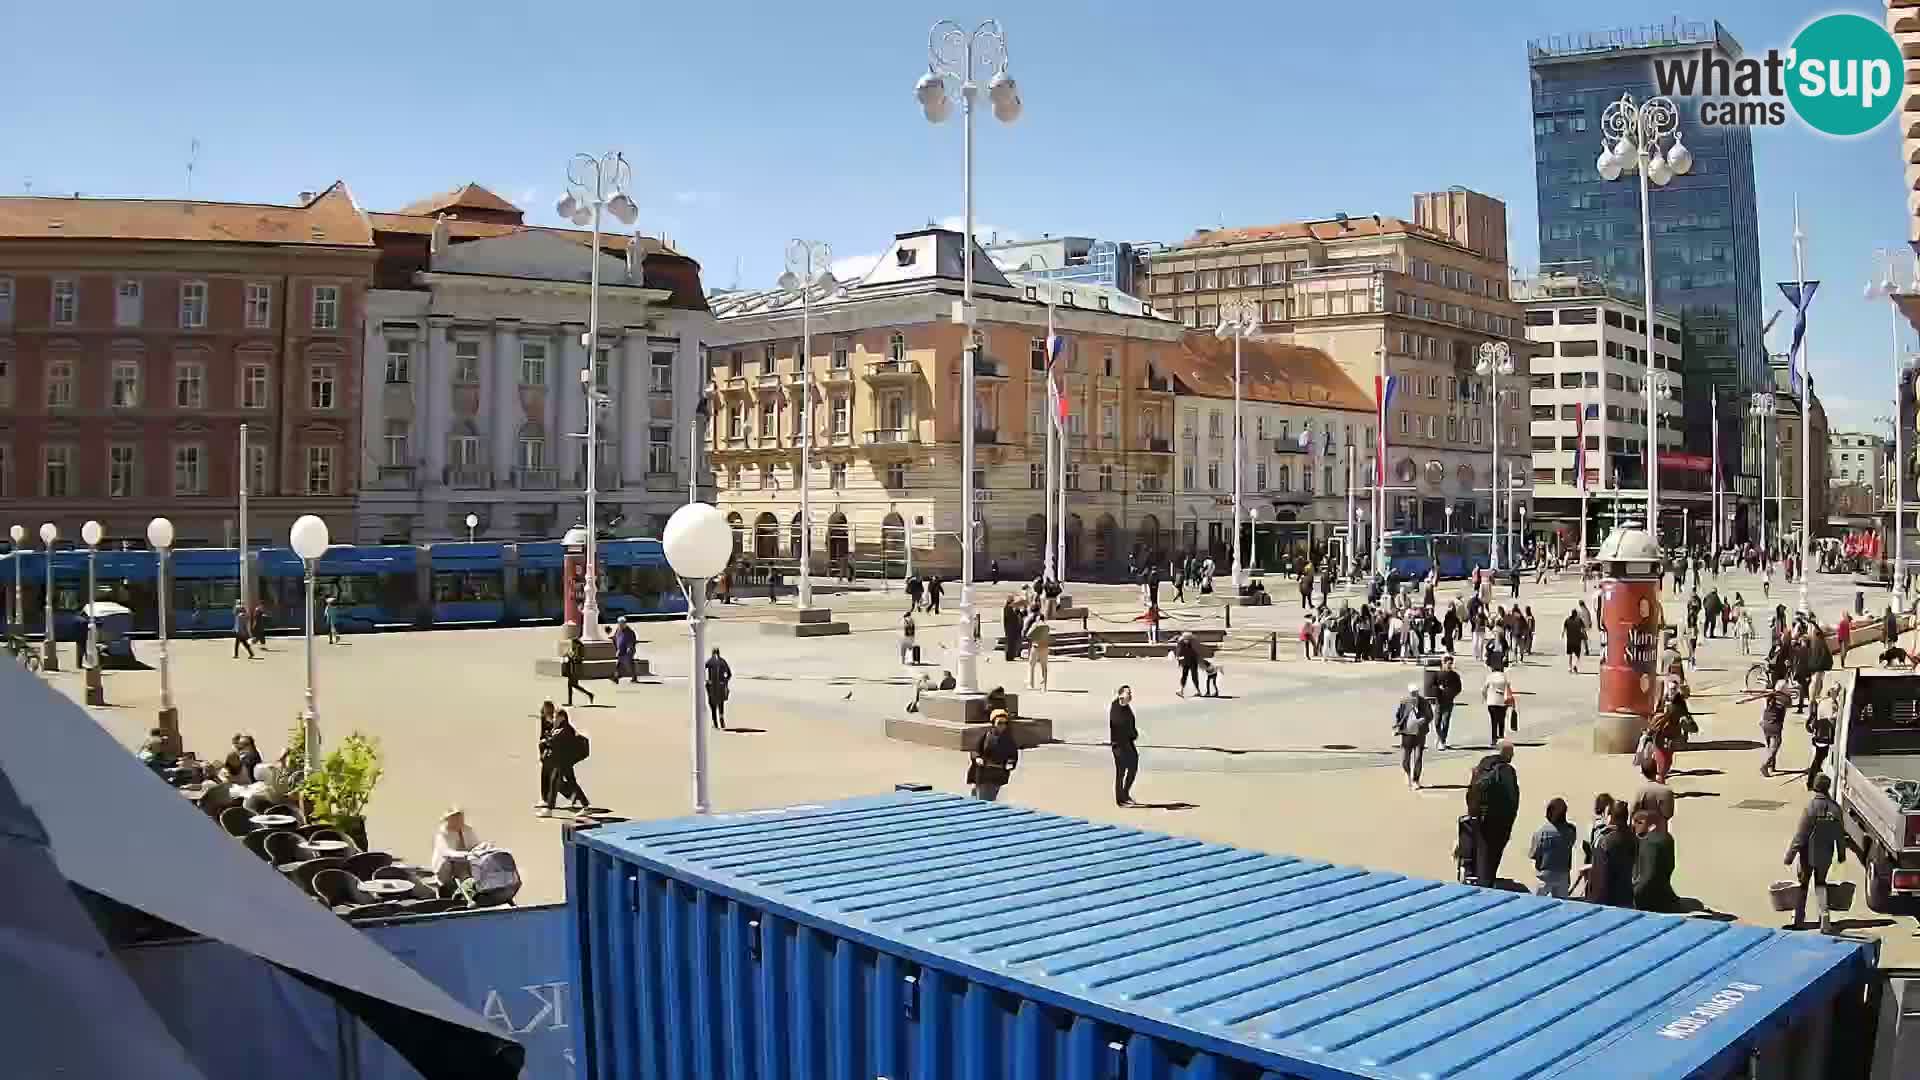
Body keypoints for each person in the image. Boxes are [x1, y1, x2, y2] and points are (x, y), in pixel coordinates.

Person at [1785, 773, 1846, 931]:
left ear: (1815, 787)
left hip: (1808, 855)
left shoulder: (1810, 808)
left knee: (1803, 885)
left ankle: (1799, 920)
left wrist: (1790, 856)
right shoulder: (1835, 808)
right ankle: (1824, 919)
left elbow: (1801, 835)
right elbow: (1840, 834)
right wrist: (1841, 853)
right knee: (1821, 884)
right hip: (1825, 854)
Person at [1466, 740, 1520, 887]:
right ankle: (1486, 883)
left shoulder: (1484, 764)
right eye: (1511, 753)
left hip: (1478, 816)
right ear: (1506, 753)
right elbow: (1512, 798)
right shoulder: (1506, 771)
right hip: (1497, 820)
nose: (1513, 756)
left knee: (1481, 849)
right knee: (1493, 853)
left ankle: (1477, 876)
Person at [1584, 799, 1637, 907]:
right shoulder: (1633, 838)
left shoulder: (1606, 841)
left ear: (1611, 817)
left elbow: (1600, 875)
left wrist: (1593, 901)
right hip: (1626, 896)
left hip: (1607, 900)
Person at [538, 709, 591, 815]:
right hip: (564, 761)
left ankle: (549, 809)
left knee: (554, 782)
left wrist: (546, 741)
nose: (553, 719)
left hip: (563, 761)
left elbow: (555, 742)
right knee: (570, 782)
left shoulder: (565, 729)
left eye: (555, 717)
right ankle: (586, 806)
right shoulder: (561, 728)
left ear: (561, 717)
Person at [1630, 809, 1678, 913]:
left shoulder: (1649, 843)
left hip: (1648, 900)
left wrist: (1633, 894)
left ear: (1643, 823)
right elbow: (1671, 866)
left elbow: (1647, 876)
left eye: (1635, 825)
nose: (1634, 829)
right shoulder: (1667, 838)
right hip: (1665, 895)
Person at [1528, 797, 1576, 898]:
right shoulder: (1571, 830)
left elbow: (1532, 854)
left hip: (1544, 876)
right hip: (1563, 875)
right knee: (1562, 907)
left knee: (1535, 904)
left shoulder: (1541, 833)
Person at [969, 710, 1019, 801]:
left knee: (987, 798)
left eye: (1005, 723)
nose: (1002, 726)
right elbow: (975, 750)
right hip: (983, 772)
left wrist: (1010, 763)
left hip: (997, 774)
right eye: (999, 723)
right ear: (993, 723)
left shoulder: (1008, 740)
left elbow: (1013, 755)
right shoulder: (986, 735)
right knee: (977, 797)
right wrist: (977, 758)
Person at [432, 807, 485, 888]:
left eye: (459, 816)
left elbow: (475, 845)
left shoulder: (468, 830)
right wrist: (467, 855)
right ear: (448, 820)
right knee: (456, 864)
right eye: (454, 817)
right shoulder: (442, 834)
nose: (458, 819)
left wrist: (483, 848)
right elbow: (447, 853)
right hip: (446, 866)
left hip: (465, 862)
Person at [1393, 682, 1432, 790]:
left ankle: (1416, 780)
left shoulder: (1424, 702)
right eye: (1411, 693)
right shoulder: (1404, 702)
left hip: (1420, 734)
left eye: (1415, 693)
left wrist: (1424, 720)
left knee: (1418, 758)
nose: (1413, 695)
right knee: (1405, 758)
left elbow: (1430, 716)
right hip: (1407, 733)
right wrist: (1398, 727)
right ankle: (1407, 773)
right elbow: (1399, 715)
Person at [1110, 685, 1139, 806]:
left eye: (1131, 693)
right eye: (1128, 693)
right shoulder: (1117, 706)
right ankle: (1120, 799)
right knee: (1120, 772)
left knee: (1133, 766)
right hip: (1119, 744)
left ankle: (1125, 793)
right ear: (1121, 695)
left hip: (1128, 742)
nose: (1130, 695)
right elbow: (1117, 723)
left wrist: (1134, 733)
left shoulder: (1126, 706)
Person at [1632, 757, 1675, 828]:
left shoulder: (1639, 790)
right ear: (1656, 770)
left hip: (1643, 831)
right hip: (1661, 830)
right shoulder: (1667, 790)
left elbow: (1633, 811)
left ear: (1643, 772)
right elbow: (1669, 814)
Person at [1431, 655, 1462, 750]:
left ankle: (1442, 741)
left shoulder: (1455, 675)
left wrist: (1451, 693)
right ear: (1443, 663)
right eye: (1448, 664)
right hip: (1439, 701)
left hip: (1449, 701)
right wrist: (1437, 690)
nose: (1450, 666)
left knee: (1445, 721)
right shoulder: (1437, 674)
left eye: (1451, 664)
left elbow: (1458, 688)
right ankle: (1440, 737)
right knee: (1436, 723)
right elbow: (1431, 686)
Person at [1806, 698, 1835, 790]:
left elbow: (1809, 726)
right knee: (1818, 762)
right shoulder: (1830, 704)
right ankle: (1813, 783)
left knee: (1817, 761)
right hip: (1824, 740)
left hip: (1818, 738)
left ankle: (1811, 782)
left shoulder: (1821, 704)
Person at [1483, 666, 1513, 747]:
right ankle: (1501, 738)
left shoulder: (1490, 677)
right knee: (1501, 721)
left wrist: (1486, 698)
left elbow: (1484, 690)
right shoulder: (1504, 677)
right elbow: (1509, 688)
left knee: (1494, 721)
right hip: (1502, 702)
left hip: (1492, 702)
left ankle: (1494, 739)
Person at [563, 635, 595, 706]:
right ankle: (589, 694)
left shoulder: (579, 647)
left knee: (571, 684)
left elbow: (578, 658)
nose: (571, 644)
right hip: (573, 668)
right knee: (573, 685)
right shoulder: (577, 646)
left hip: (576, 669)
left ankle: (571, 702)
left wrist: (570, 657)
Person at [705, 647, 732, 730]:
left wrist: (706, 681)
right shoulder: (723, 661)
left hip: (712, 686)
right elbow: (729, 674)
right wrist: (725, 681)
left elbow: (700, 670)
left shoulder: (710, 661)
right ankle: (721, 718)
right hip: (721, 686)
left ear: (712, 653)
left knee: (712, 704)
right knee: (720, 703)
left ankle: (715, 723)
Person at [1175, 632, 1203, 698]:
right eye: (1185, 639)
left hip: (1191, 661)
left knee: (1193, 676)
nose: (1186, 640)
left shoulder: (1192, 643)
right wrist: (1179, 659)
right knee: (1185, 675)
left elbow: (1197, 652)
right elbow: (1179, 652)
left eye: (1187, 639)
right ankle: (1181, 690)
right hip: (1186, 661)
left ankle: (1198, 691)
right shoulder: (1181, 642)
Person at [612, 617, 639, 684]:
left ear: (624, 623)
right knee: (618, 665)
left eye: (621, 624)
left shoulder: (630, 632)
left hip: (628, 651)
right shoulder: (618, 630)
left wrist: (629, 649)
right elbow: (615, 638)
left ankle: (634, 677)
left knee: (629, 664)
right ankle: (616, 678)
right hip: (621, 650)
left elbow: (632, 642)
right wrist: (617, 649)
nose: (620, 625)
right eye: (619, 624)